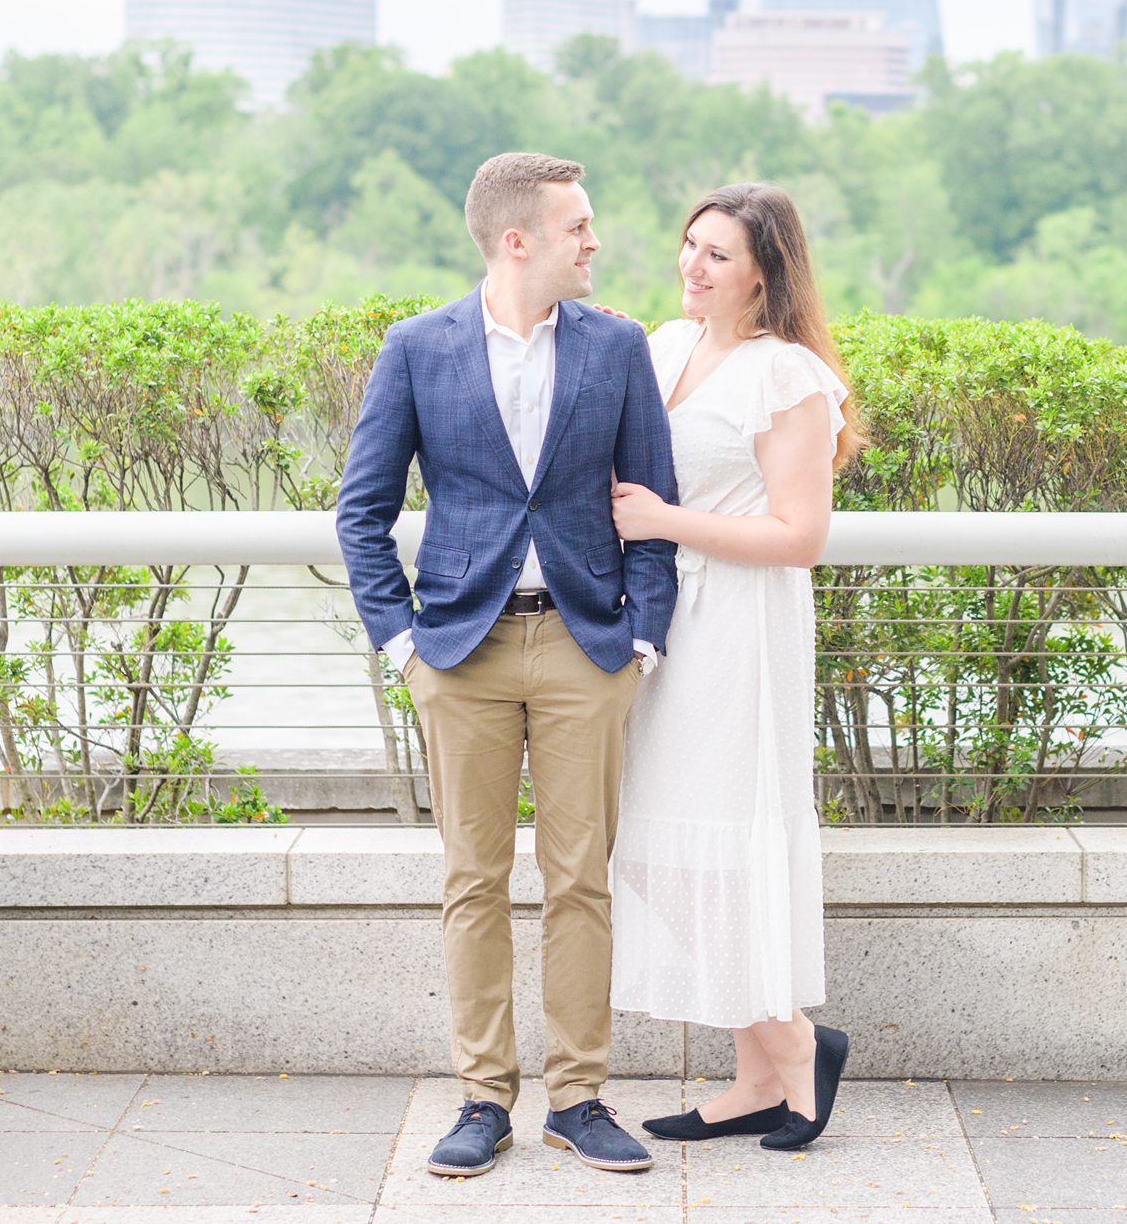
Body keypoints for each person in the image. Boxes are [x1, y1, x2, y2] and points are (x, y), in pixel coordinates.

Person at [334, 151, 678, 1180]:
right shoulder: (417, 348)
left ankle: (580, 1096)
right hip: (460, 652)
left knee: (583, 881)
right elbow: (362, 512)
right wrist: (403, 647)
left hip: (586, 646)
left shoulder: (617, 347)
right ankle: (484, 1097)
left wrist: (642, 640)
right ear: (516, 238)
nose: (596, 241)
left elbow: (652, 511)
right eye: (579, 224)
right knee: (472, 880)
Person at [606, 181, 859, 1152]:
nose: (692, 265)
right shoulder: (665, 346)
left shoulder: (785, 374)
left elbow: (800, 535)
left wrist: (666, 523)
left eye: (717, 253)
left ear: (765, 270)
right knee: (656, 847)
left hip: (740, 624)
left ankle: (787, 1051)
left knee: (726, 834)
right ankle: (769, 1061)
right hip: (664, 617)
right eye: (688, 243)